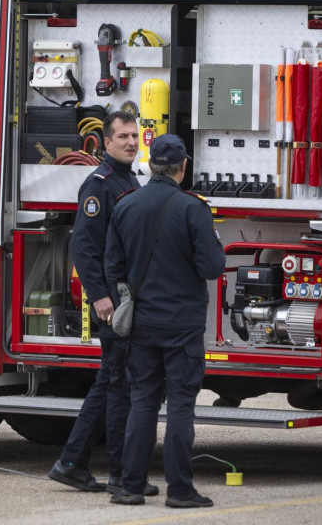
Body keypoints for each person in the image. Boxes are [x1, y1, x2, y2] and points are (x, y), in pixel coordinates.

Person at [104, 133, 225, 508]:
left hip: (141, 322)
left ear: (150, 163)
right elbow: (212, 266)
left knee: (142, 402)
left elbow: (112, 265)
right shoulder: (193, 208)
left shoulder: (127, 204)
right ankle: (180, 490)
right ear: (183, 166)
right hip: (182, 326)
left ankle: (129, 486)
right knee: (180, 406)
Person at [48, 111, 157, 497]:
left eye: (134, 136)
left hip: (126, 300)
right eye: (122, 137)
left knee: (110, 381)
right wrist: (100, 297)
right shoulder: (99, 185)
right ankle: (119, 475)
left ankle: (72, 462)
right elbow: (84, 247)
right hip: (114, 304)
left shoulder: (129, 179)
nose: (131, 142)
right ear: (105, 143)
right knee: (119, 386)